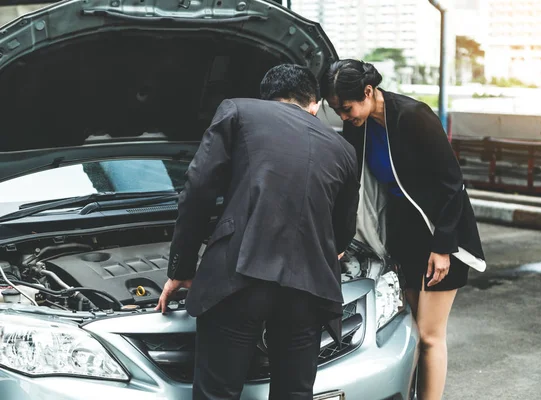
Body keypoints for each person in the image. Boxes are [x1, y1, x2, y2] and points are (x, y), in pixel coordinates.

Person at [155, 64, 360, 400]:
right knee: (294, 394)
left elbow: (198, 190)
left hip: (239, 276)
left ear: (266, 97)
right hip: (309, 290)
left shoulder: (238, 110)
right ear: (315, 104)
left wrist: (181, 268)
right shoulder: (342, 149)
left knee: (217, 394)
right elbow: (342, 233)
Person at [321, 59, 486, 400]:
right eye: (337, 111)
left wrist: (443, 249)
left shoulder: (413, 116)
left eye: (347, 108)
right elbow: (351, 185)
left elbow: (452, 185)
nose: (343, 117)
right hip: (404, 232)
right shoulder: (359, 126)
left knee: (429, 334)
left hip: (442, 231)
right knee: (410, 328)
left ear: (368, 92)